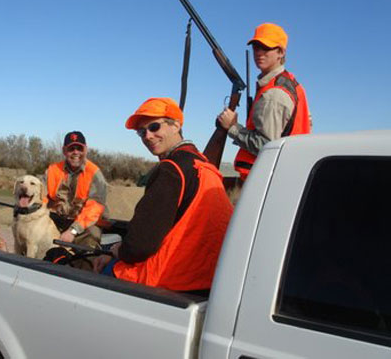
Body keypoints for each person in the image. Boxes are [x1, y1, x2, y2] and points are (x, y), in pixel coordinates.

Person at [93, 98, 233, 293]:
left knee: (98, 271)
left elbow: (139, 247)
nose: (148, 136)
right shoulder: (205, 166)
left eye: (154, 126)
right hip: (209, 278)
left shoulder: (171, 169)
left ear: (176, 125)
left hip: (170, 280)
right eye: (141, 132)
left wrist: (117, 251)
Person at [217, 23, 311, 180]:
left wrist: (232, 127)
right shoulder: (293, 84)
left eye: (266, 48)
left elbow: (266, 146)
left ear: (280, 52)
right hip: (285, 174)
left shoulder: (273, 94)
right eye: (256, 47)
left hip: (265, 178)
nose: (259, 53)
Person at [45, 131, 109, 251]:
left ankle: (83, 267)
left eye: (79, 148)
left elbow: (93, 209)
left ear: (86, 150)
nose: (76, 152)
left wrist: (73, 231)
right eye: (71, 149)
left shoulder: (94, 173)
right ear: (64, 151)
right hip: (59, 219)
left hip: (85, 225)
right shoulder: (52, 170)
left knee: (91, 237)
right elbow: (41, 198)